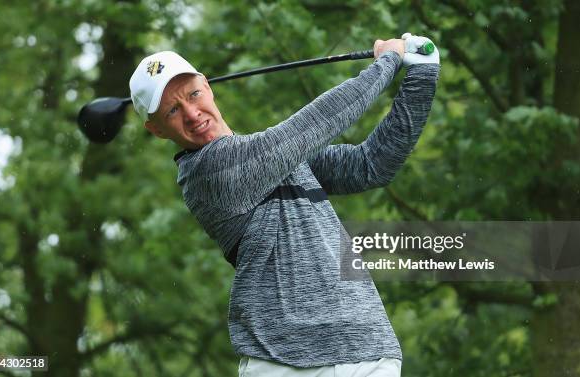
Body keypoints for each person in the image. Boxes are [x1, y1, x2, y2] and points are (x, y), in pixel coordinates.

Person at [129, 33, 440, 377]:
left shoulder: (275, 159)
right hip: (284, 362)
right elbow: (312, 126)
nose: (191, 113)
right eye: (173, 110)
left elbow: (372, 165)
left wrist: (422, 76)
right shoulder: (208, 171)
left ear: (207, 85)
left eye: (193, 94)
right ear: (156, 130)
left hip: (368, 353)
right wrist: (386, 63)